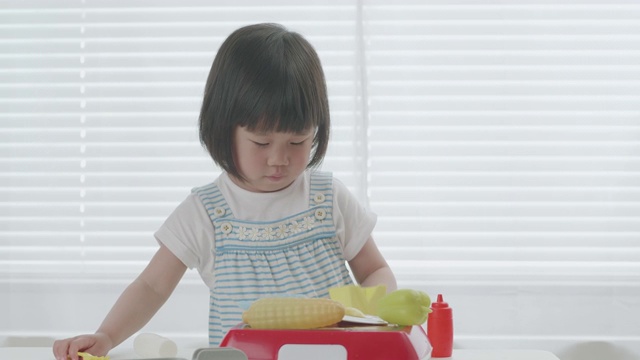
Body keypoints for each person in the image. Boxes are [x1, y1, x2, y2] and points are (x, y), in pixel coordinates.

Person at [52, 22, 396, 360]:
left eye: (297, 141)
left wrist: (365, 318)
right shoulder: (206, 213)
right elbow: (151, 287)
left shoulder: (327, 197)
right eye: (261, 142)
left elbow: (375, 271)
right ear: (223, 128)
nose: (279, 159)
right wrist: (106, 335)